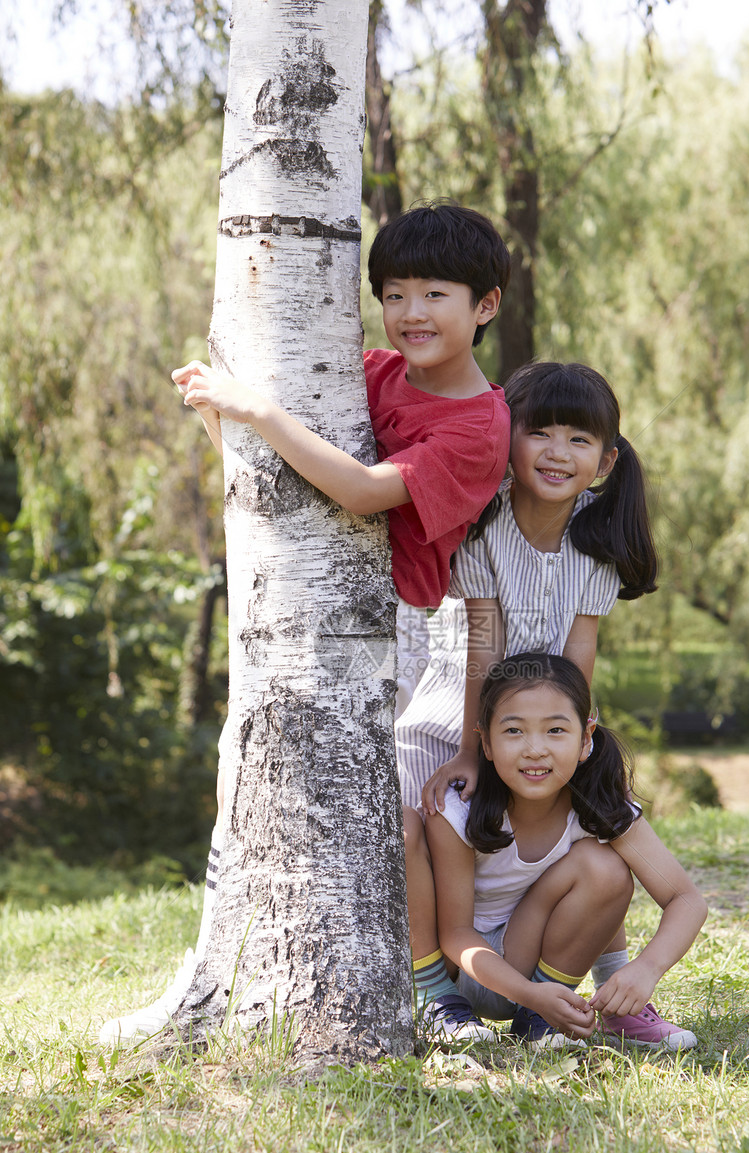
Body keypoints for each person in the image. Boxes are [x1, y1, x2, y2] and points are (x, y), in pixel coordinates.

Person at [99, 201, 512, 1044]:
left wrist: (253, 409)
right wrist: (220, 413)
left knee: (380, 809)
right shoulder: (368, 371)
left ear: (486, 306)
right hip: (304, 610)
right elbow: (291, 479)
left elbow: (361, 491)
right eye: (394, 294)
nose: (411, 314)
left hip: (397, 631)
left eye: (435, 293)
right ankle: (211, 972)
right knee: (247, 776)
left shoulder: (481, 426)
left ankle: (428, 991)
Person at [400, 361, 693, 1050]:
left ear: (605, 459)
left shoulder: (595, 538)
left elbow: (579, 651)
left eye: (578, 439)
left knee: (592, 834)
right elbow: (482, 640)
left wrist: (575, 738)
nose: (558, 453)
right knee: (414, 827)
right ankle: (433, 994)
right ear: (509, 440)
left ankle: (610, 995)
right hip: (459, 710)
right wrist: (472, 750)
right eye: (541, 433)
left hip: (546, 717)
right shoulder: (485, 521)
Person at [417, 652, 707, 1051]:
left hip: (530, 969)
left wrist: (645, 969)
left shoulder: (599, 805)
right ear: (485, 741)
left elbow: (685, 899)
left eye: (556, 730)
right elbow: (456, 933)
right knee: (399, 824)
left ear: (586, 738)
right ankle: (435, 1003)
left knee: (604, 867)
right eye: (514, 731)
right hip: (452, 968)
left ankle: (540, 1023)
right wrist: (527, 992)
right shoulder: (457, 808)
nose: (535, 749)